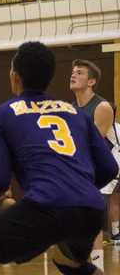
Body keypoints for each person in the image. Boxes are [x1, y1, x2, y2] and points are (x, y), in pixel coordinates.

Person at [0, 41, 119, 275]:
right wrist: (76, 188)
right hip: (89, 208)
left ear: (15, 76)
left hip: (44, 206)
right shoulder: (75, 113)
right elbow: (109, 168)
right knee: (71, 264)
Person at [70, 59, 119, 268]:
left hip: (105, 165)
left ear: (91, 81)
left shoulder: (102, 106)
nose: (73, 75)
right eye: (72, 72)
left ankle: (97, 268)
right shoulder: (71, 109)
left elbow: (92, 146)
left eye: (79, 72)